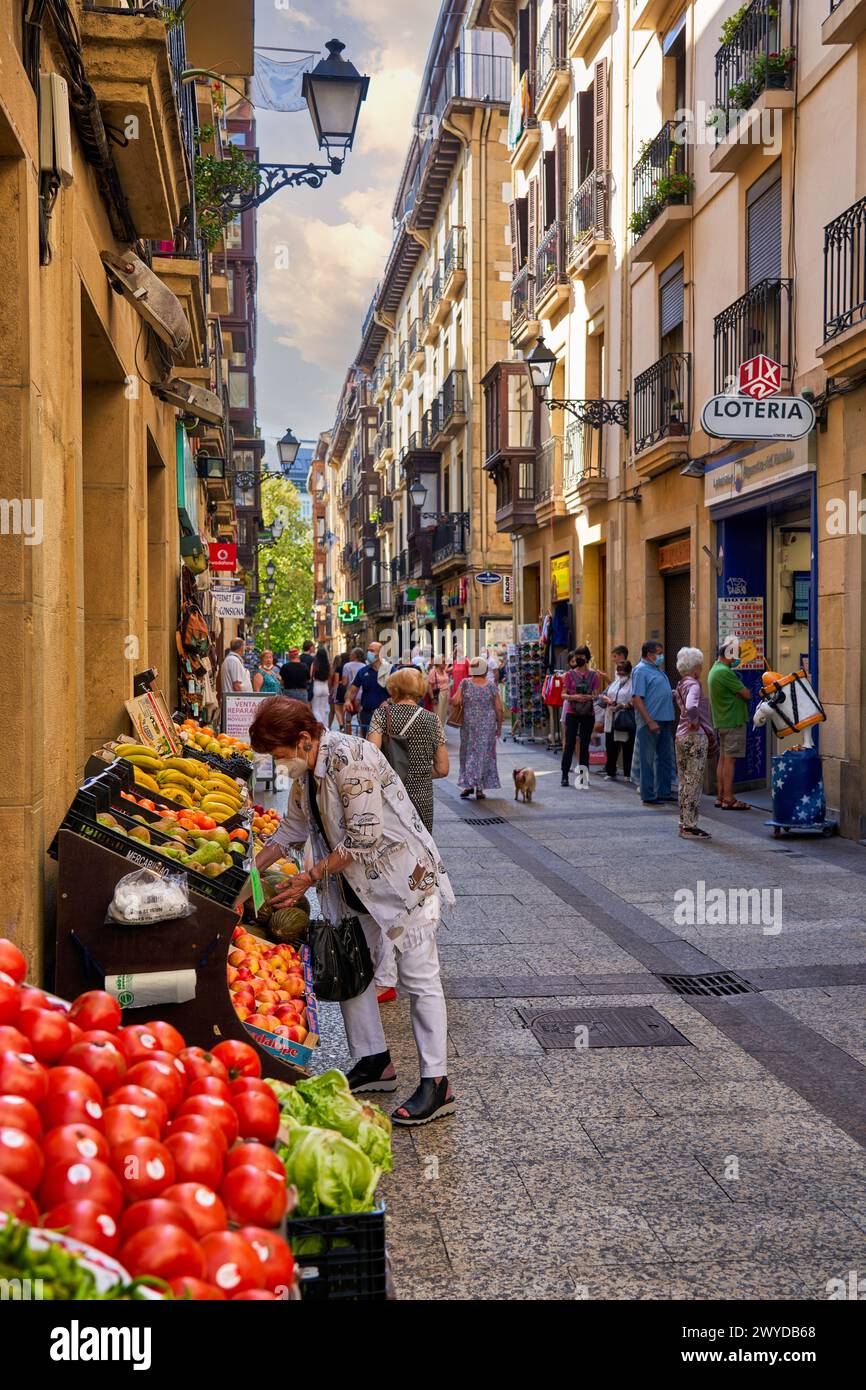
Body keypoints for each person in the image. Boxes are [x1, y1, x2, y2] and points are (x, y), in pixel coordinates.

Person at [249, 698, 456, 1125]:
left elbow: (364, 839)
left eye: (280, 756)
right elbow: (293, 828)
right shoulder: (306, 770)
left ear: (304, 740)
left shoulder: (350, 757)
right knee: (353, 966)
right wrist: (249, 874)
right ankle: (373, 1060)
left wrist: (307, 878)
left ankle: (437, 1082)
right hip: (352, 886)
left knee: (419, 977)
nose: (279, 766)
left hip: (402, 881)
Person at [368, 666, 449, 834]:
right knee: (421, 850)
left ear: (393, 689)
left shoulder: (381, 715)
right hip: (421, 795)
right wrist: (419, 772)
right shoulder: (433, 720)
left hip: (389, 794)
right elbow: (443, 769)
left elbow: (371, 756)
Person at [674, 647, 717, 841]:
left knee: (684, 780)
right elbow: (691, 706)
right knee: (694, 780)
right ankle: (690, 826)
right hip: (694, 737)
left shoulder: (681, 684)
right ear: (695, 668)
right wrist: (694, 720)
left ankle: (684, 822)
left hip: (680, 736)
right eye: (700, 666)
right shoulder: (694, 685)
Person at [708, 637, 752, 811]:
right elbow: (747, 694)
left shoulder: (714, 669)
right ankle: (729, 798)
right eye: (736, 655)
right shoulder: (725, 672)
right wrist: (740, 694)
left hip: (722, 720)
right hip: (733, 720)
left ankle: (720, 796)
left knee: (724, 759)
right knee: (730, 761)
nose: (737, 659)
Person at [631, 639, 677, 806]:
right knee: (648, 759)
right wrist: (649, 721)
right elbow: (637, 698)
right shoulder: (640, 671)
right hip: (651, 722)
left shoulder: (656, 669)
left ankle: (664, 791)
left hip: (665, 719)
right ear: (649, 655)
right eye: (658, 653)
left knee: (665, 758)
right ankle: (648, 795)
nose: (661, 656)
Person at [452, 655, 503, 799]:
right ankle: (479, 788)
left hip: (469, 725)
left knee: (468, 752)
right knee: (484, 754)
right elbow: (499, 709)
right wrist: (499, 727)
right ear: (486, 669)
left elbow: (455, 701)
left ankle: (468, 785)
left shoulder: (465, 683)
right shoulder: (492, 686)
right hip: (487, 725)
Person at [560, 646, 601, 787]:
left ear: (587, 658)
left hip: (588, 713)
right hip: (572, 712)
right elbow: (563, 694)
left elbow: (597, 695)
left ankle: (584, 776)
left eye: (581, 656)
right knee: (569, 745)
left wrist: (588, 697)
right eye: (577, 656)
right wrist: (574, 696)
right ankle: (564, 775)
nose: (578, 658)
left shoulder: (594, 676)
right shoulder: (569, 675)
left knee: (584, 746)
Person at [346, 641, 390, 737]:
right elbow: (353, 689)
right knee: (367, 742)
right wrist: (348, 700)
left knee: (384, 744)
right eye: (368, 650)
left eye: (372, 651)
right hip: (366, 715)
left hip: (385, 715)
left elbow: (398, 692)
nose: (368, 653)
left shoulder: (390, 671)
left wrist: (389, 701)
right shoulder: (363, 671)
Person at [600, 658, 634, 780]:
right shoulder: (614, 683)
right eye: (618, 671)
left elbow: (635, 699)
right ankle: (610, 772)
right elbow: (603, 694)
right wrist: (607, 700)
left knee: (627, 746)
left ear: (629, 672)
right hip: (611, 718)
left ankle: (627, 774)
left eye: (622, 672)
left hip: (624, 718)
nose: (619, 674)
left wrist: (623, 705)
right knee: (611, 746)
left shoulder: (633, 684)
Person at [427, 653, 450, 727]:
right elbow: (429, 686)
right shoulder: (433, 671)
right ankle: (437, 731)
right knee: (438, 714)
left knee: (443, 715)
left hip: (446, 694)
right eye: (443, 662)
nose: (445, 663)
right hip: (439, 695)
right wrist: (432, 698)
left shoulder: (443, 671)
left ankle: (441, 729)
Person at [310, 648, 331, 726]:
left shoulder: (315, 663)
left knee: (315, 709)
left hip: (317, 686)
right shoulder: (328, 664)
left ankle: (321, 726)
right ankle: (323, 726)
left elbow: (311, 676)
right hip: (325, 687)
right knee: (322, 709)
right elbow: (329, 676)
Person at [329, 652, 348, 729]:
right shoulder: (348, 667)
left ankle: (341, 724)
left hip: (340, 689)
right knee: (344, 708)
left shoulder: (339, 668)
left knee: (337, 708)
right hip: (348, 689)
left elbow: (336, 682)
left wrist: (334, 693)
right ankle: (344, 724)